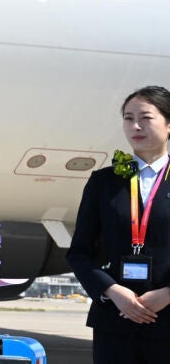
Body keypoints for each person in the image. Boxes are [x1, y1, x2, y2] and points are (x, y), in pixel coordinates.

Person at [68, 86, 170, 363]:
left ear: (169, 124)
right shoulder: (103, 181)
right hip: (114, 320)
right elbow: (79, 252)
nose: (135, 125)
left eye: (146, 117)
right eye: (128, 118)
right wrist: (112, 291)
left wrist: (168, 294)